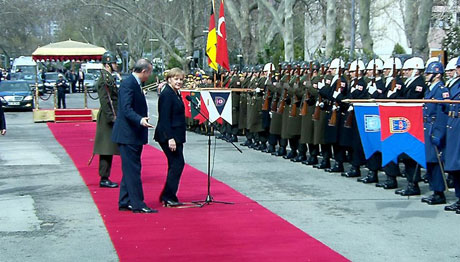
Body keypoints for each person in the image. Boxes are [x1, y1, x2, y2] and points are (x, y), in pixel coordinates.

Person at [112, 58, 157, 213]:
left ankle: (125, 200)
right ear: (144, 71)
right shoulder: (129, 83)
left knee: (130, 169)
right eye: (149, 72)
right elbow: (125, 108)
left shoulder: (134, 83)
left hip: (132, 134)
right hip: (127, 134)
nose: (149, 75)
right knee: (133, 170)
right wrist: (140, 120)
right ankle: (138, 203)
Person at [154, 68, 187, 207]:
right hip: (168, 135)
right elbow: (165, 118)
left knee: (175, 164)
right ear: (169, 79)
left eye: (180, 79)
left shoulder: (175, 92)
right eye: (176, 79)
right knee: (177, 164)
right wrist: (170, 138)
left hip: (176, 135)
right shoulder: (167, 94)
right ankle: (169, 196)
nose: (179, 82)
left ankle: (167, 194)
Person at [92, 51, 119, 189]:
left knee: (108, 148)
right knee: (106, 148)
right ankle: (104, 177)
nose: (116, 65)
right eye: (114, 63)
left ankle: (105, 176)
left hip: (111, 115)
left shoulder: (108, 77)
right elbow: (106, 100)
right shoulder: (104, 79)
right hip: (108, 117)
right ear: (108, 64)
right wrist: (112, 118)